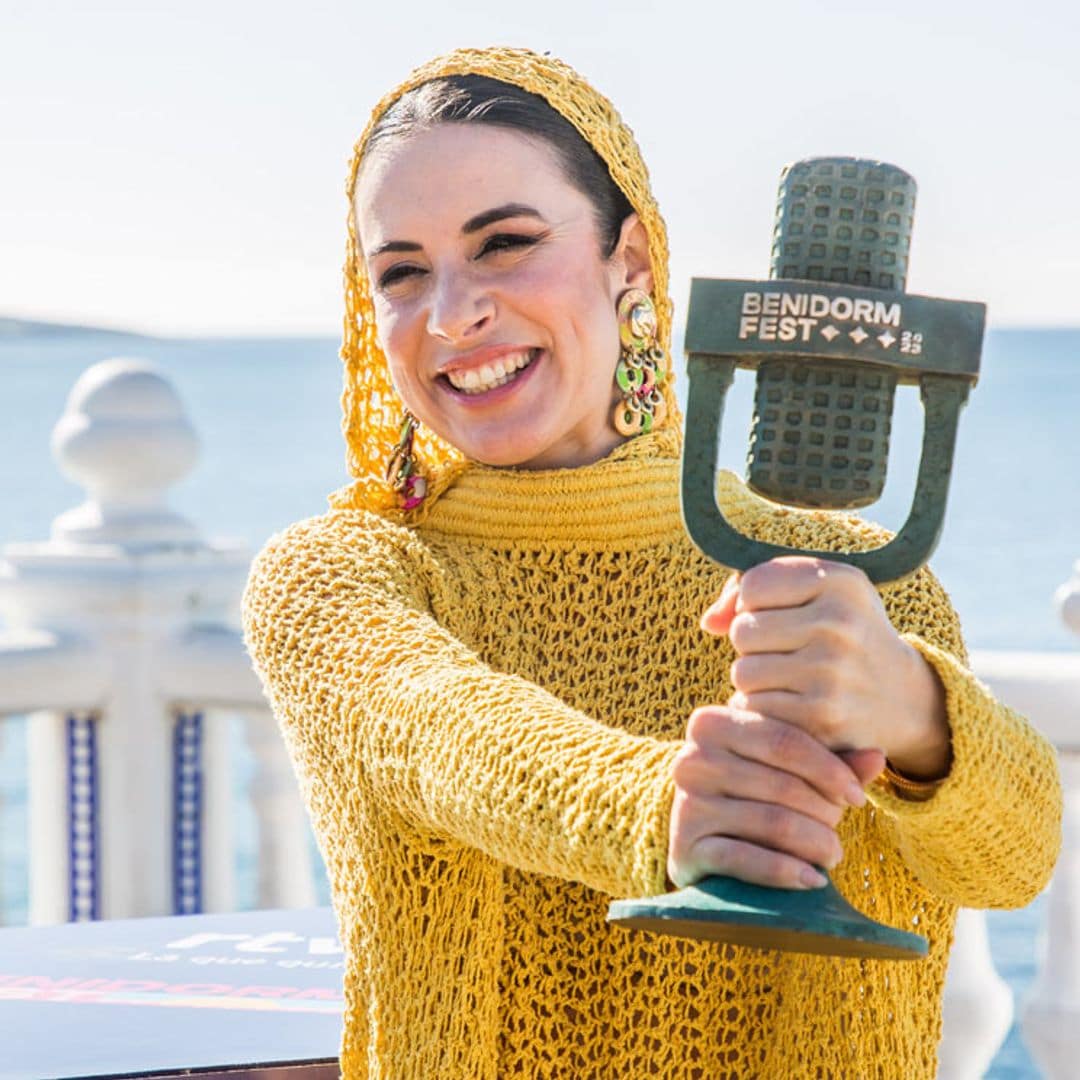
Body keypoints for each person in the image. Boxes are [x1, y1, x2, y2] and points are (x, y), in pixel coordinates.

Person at [242, 46, 1061, 1079]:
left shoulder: (848, 573)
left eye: (504, 245)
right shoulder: (339, 572)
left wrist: (915, 712)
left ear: (628, 261)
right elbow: (439, 729)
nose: (451, 314)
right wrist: (664, 806)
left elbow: (1014, 854)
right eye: (402, 272)